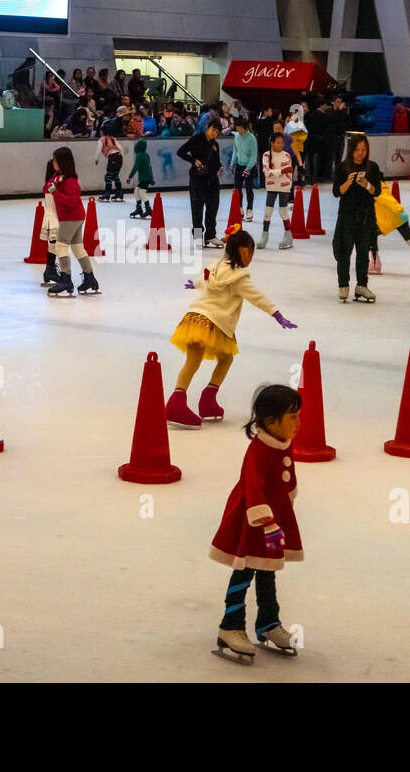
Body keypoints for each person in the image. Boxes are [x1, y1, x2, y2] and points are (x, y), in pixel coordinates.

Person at [209, 383, 305, 663]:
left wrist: (285, 509)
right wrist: (269, 524)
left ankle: (267, 622)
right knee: (245, 570)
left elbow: (287, 477)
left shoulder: (283, 444)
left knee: (268, 569)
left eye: (299, 415)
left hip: (275, 518)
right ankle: (231, 625)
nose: (299, 423)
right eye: (293, 417)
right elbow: (254, 489)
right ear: (271, 420)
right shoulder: (259, 451)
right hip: (253, 521)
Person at [167, 226, 297, 428]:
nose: (251, 258)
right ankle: (179, 403)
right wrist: (277, 314)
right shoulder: (239, 277)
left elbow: (206, 279)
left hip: (195, 317)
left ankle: (205, 399)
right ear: (245, 251)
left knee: (212, 359)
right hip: (213, 322)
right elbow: (257, 297)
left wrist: (195, 284)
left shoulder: (218, 266)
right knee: (214, 360)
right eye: (252, 253)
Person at [331, 134, 383, 303]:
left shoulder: (372, 167)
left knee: (363, 253)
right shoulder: (342, 167)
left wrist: (367, 184)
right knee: (344, 252)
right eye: (357, 150)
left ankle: (362, 285)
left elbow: (377, 191)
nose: (360, 154)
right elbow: (336, 192)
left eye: (363, 150)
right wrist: (347, 182)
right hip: (347, 216)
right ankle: (343, 285)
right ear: (351, 150)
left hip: (366, 217)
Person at [45, 146, 100, 296]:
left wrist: (55, 192)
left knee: (60, 246)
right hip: (74, 217)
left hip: (71, 217)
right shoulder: (61, 177)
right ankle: (90, 278)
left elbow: (71, 201)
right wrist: (55, 180)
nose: (53, 162)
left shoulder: (69, 182)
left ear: (62, 162)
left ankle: (66, 279)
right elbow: (46, 187)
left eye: (55, 160)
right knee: (77, 248)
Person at [178, 118, 224, 247]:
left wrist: (220, 167)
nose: (215, 133)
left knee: (212, 208)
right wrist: (194, 160)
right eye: (213, 129)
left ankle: (210, 235)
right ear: (207, 128)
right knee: (197, 208)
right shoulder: (197, 139)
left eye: (217, 131)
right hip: (198, 179)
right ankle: (198, 235)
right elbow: (180, 152)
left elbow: (216, 160)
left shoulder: (215, 145)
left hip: (213, 180)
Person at [259, 129, 295, 249]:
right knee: (268, 211)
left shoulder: (287, 156)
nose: (281, 145)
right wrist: (282, 171)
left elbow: (289, 173)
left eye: (282, 142)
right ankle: (264, 236)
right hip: (271, 186)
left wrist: (281, 174)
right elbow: (266, 172)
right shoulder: (266, 155)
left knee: (283, 210)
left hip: (284, 186)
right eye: (278, 142)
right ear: (272, 143)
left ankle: (288, 236)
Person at [38, 159, 62, 284]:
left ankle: (49, 271)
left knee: (52, 246)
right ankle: (50, 270)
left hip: (49, 217)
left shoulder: (49, 181)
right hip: (54, 218)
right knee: (55, 246)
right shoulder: (56, 181)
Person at [231, 118, 259, 223]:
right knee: (237, 189)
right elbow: (235, 151)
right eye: (237, 129)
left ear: (245, 128)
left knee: (248, 188)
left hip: (249, 166)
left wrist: (248, 169)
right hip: (239, 165)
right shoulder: (237, 137)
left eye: (240, 129)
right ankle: (240, 208)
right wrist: (232, 163)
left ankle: (249, 209)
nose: (238, 131)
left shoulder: (251, 138)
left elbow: (253, 156)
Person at [95, 113, 126, 202]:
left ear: (102, 131)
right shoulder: (113, 138)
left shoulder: (102, 139)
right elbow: (120, 148)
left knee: (108, 176)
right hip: (119, 157)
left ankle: (107, 193)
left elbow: (98, 150)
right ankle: (119, 193)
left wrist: (96, 159)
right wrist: (122, 156)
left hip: (112, 158)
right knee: (116, 175)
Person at [126, 139, 154, 219]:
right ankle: (139, 208)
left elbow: (136, 167)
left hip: (144, 177)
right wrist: (151, 178)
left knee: (141, 192)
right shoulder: (146, 155)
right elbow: (150, 167)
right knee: (137, 190)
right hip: (146, 177)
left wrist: (130, 176)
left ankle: (148, 209)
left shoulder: (139, 156)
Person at [284, 104, 308, 186]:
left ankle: (300, 180)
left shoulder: (300, 124)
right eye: (292, 114)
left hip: (298, 147)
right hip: (290, 149)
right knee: (291, 165)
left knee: (299, 164)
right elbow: (285, 134)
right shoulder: (288, 124)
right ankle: (291, 181)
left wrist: (298, 138)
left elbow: (305, 134)